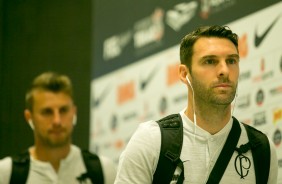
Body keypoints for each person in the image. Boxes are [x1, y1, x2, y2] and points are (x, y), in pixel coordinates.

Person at [114, 25, 278, 183]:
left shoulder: (261, 149)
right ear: (185, 74)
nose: (224, 71)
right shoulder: (151, 141)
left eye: (231, 61)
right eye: (210, 61)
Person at [0, 72, 116, 184]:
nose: (57, 121)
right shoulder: (6, 173)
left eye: (63, 110)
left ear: (74, 112)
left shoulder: (104, 170)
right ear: (29, 117)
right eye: (47, 112)